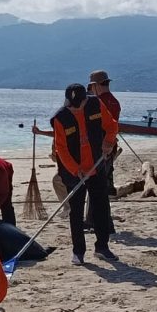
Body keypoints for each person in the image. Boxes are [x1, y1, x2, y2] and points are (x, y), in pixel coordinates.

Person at [52, 83, 118, 264]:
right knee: (76, 210)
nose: (74, 108)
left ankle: (102, 247)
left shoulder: (95, 105)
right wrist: (76, 170)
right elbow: (61, 149)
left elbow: (112, 126)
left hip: (96, 166)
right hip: (73, 171)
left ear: (85, 99)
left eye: (77, 105)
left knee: (101, 207)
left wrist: (108, 142)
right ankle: (78, 251)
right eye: (70, 104)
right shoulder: (60, 118)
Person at [88, 70, 121, 196]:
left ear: (96, 85)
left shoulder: (97, 102)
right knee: (106, 177)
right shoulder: (115, 101)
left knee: (97, 181)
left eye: (91, 86)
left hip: (99, 146)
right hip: (110, 144)